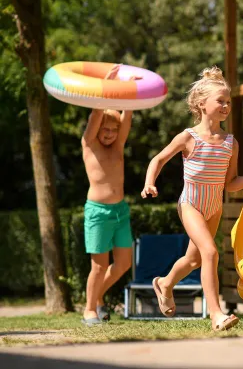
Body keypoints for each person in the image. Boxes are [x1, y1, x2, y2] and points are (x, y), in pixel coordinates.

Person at [141, 66, 243, 332]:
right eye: (220, 101)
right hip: (191, 204)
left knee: (195, 259)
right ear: (202, 104)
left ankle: (164, 284)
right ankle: (216, 314)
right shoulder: (189, 137)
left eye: (228, 102)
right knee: (210, 252)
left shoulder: (229, 142)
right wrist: (149, 183)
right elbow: (158, 159)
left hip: (214, 207)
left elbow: (230, 184)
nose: (225, 106)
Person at [81, 65, 134, 325]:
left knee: (124, 263)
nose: (110, 133)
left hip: (120, 211)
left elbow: (128, 114)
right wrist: (105, 86)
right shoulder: (89, 144)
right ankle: (89, 310)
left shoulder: (118, 145)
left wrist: (131, 88)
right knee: (99, 266)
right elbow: (95, 115)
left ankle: (96, 297)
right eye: (105, 129)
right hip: (98, 212)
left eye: (113, 129)